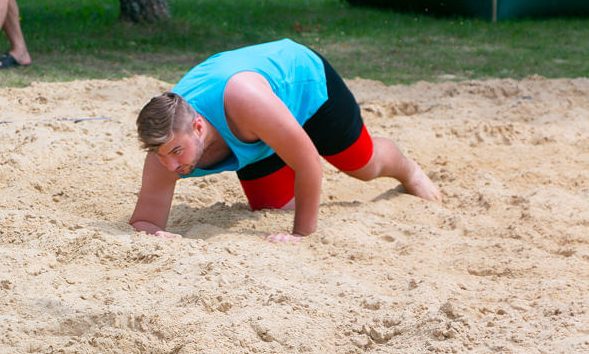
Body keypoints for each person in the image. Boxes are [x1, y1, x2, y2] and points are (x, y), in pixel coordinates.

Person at [130, 39, 442, 243]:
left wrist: (301, 235)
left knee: (363, 165)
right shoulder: (165, 145)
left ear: (198, 127)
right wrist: (154, 235)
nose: (169, 165)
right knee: (271, 207)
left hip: (307, 89)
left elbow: (308, 162)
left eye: (176, 152)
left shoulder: (246, 103)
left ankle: (408, 170)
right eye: (161, 155)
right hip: (258, 129)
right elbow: (145, 221)